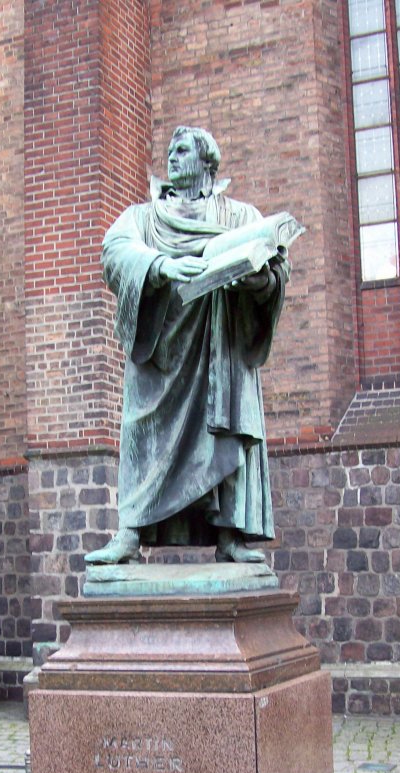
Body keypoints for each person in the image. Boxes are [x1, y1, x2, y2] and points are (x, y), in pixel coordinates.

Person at [85, 126, 291, 565]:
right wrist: (159, 265)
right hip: (161, 354)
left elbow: (274, 268)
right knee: (143, 432)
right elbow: (115, 252)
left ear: (207, 163)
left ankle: (231, 536)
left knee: (225, 431)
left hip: (220, 346)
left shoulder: (239, 216)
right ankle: (130, 533)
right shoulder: (143, 218)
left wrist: (259, 279)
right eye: (170, 152)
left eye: (182, 151)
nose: (172, 159)